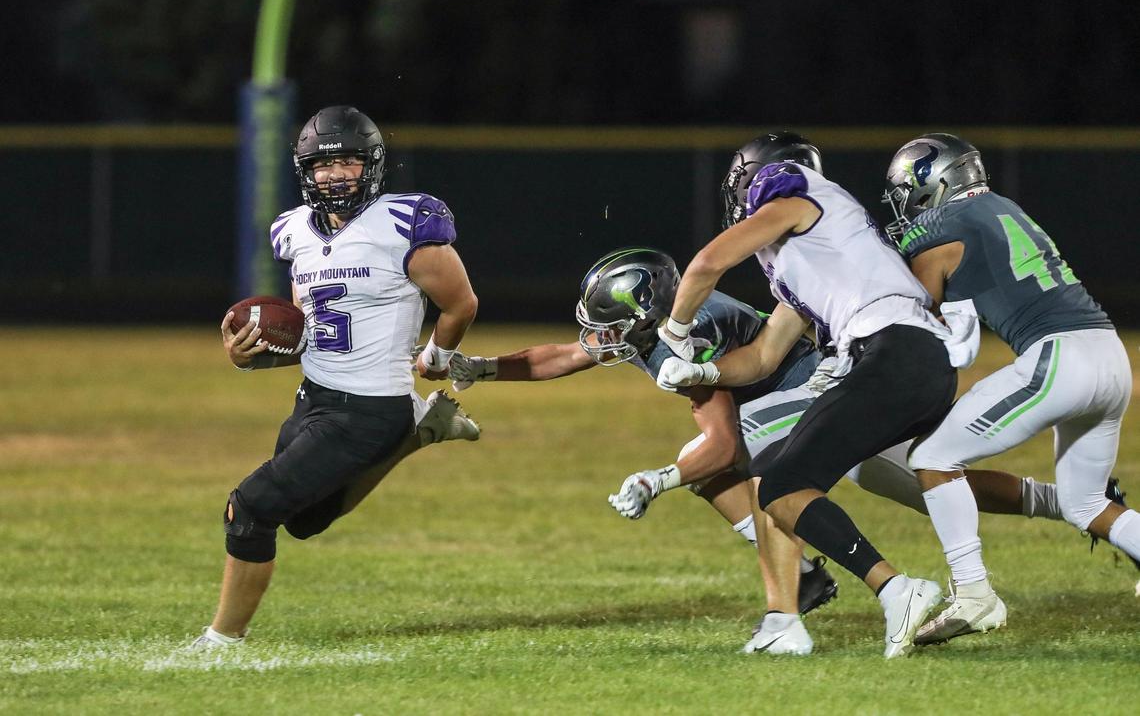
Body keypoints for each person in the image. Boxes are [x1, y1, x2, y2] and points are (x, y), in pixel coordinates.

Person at [446, 245, 1065, 655]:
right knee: (918, 480)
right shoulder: (658, 324)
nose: (598, 340)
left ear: (644, 315)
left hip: (823, 392)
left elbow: (720, 445)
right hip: (807, 400)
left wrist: (655, 479)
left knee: (770, 469)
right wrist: (477, 367)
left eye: (609, 326)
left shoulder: (688, 337)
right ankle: (1073, 505)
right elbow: (563, 354)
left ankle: (793, 616)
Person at [654, 132, 965, 658]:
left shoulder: (797, 199)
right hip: (906, 360)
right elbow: (762, 358)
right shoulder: (818, 251)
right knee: (775, 471)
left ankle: (898, 590)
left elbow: (706, 264)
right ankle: (784, 623)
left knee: (781, 481)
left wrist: (675, 333)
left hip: (893, 352)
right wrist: (698, 374)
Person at [192, 105, 480, 648]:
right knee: (303, 521)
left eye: (349, 161)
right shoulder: (294, 231)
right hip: (315, 396)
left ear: (370, 166)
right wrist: (248, 355)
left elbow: (461, 303)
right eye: (324, 165)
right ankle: (419, 432)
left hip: (369, 405)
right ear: (306, 171)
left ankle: (222, 640)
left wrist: (437, 358)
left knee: (250, 509)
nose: (336, 174)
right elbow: (306, 334)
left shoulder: (406, 224)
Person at [882, 133, 1140, 645]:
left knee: (933, 458)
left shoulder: (937, 227)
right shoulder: (1003, 207)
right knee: (1085, 503)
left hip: (1059, 358)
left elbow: (912, 319)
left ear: (934, 181)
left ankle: (975, 594)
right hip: (1110, 353)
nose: (906, 206)